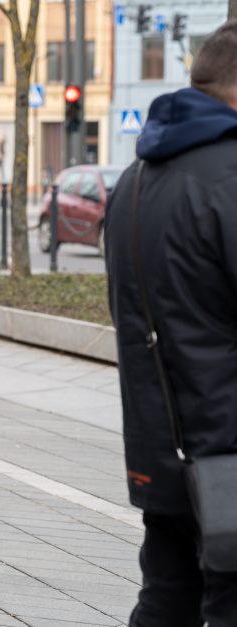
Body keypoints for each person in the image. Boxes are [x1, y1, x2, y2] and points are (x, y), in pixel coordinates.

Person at [104, 21, 237, 627]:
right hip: (229, 451)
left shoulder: (134, 181)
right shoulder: (228, 179)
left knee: (168, 596)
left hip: (162, 448)